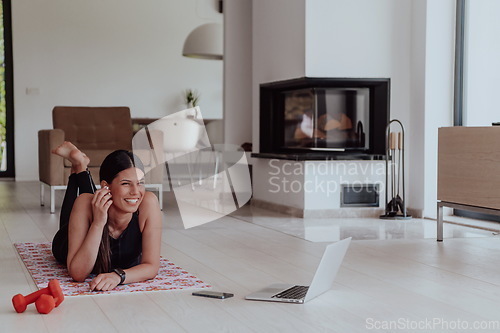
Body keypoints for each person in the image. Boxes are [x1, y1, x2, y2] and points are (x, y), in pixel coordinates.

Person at [51, 142, 162, 291]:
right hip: (68, 241)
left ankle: (81, 164)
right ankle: (78, 167)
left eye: (140, 183)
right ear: (106, 187)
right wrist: (98, 223)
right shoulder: (84, 204)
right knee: (85, 201)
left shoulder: (148, 203)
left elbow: (151, 266)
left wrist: (118, 276)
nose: (136, 192)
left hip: (102, 198)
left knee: (92, 199)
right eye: (126, 183)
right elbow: (78, 274)